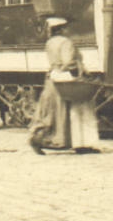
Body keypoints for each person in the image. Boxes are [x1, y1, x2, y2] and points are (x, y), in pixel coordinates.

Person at [28, 16, 98, 154]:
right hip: (65, 78)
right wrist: (80, 71)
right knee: (73, 110)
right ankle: (77, 143)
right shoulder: (66, 42)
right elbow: (68, 62)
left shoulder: (50, 42)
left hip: (52, 77)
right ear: (62, 28)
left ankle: (40, 137)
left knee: (50, 110)